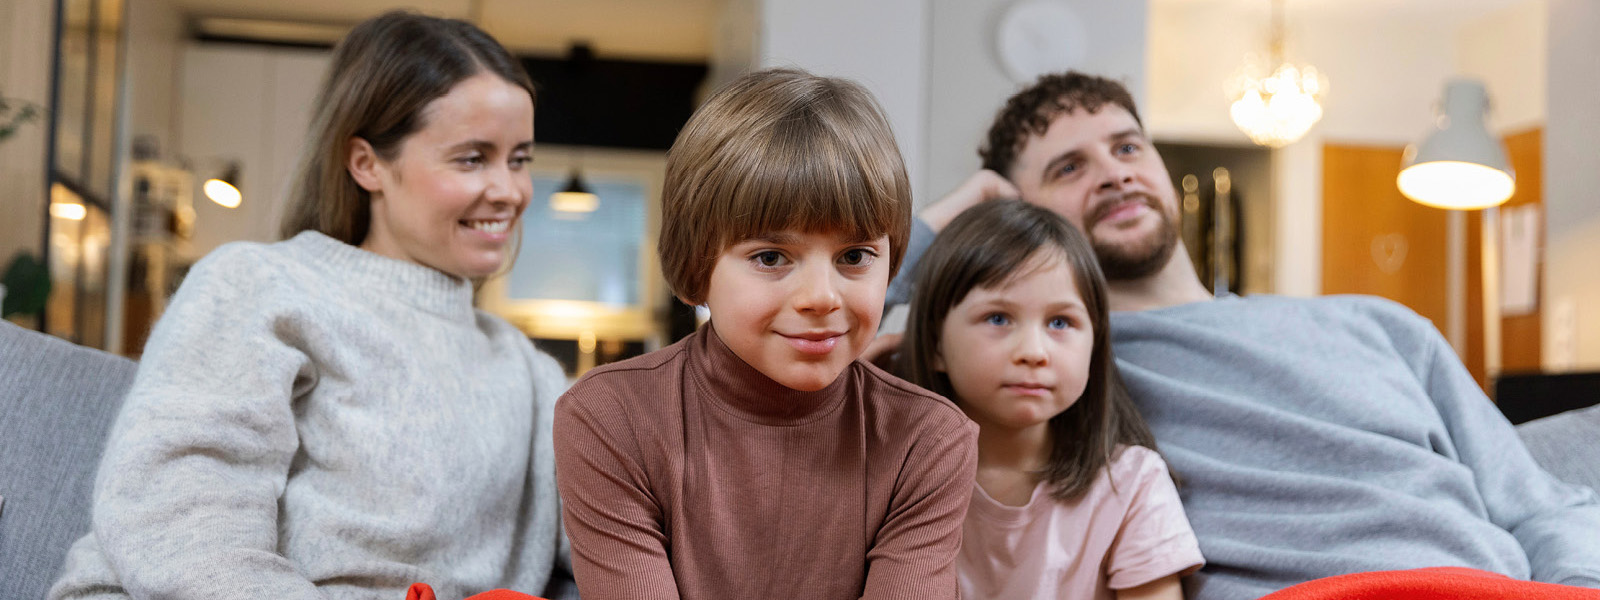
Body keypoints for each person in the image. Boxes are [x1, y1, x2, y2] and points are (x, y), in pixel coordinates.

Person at [887, 71, 1600, 599]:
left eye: (1128, 147)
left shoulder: (1377, 323)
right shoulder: (1050, 370)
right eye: (1070, 167)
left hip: (1493, 587)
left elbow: (1542, 503)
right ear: (1020, 210)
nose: (1114, 174)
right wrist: (949, 221)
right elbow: (828, 350)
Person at [50, 11, 570, 600]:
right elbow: (180, 516)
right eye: (472, 158)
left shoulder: (530, 375)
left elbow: (623, 531)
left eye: (520, 159)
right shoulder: (262, 286)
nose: (509, 191)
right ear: (367, 163)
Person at [553, 68, 978, 600]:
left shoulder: (928, 439)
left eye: (854, 256)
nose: (821, 296)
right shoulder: (611, 417)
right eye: (771, 257)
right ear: (697, 264)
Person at [896, 199, 1203, 600]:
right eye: (998, 318)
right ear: (935, 343)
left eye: (1061, 322)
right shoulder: (895, 478)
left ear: (1094, 345)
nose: (1034, 351)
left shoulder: (1132, 483)